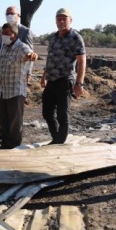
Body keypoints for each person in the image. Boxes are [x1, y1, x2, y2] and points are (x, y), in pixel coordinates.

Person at [41, 8, 86, 145]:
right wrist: (44, 76)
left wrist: (79, 84)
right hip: (52, 80)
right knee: (47, 112)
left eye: (64, 18)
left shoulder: (75, 37)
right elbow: (50, 58)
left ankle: (59, 142)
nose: (61, 21)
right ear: (55, 21)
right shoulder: (54, 37)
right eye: (59, 18)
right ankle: (56, 139)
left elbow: (81, 61)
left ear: (70, 20)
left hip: (65, 80)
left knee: (62, 115)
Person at [0, 23, 38, 149]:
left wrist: (33, 56)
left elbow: (31, 54)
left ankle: (14, 147)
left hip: (16, 91)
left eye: (7, 34)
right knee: (4, 120)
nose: (5, 36)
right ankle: (5, 145)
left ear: (15, 35)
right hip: (4, 90)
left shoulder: (21, 47)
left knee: (15, 122)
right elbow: (2, 70)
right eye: (3, 34)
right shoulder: (3, 48)